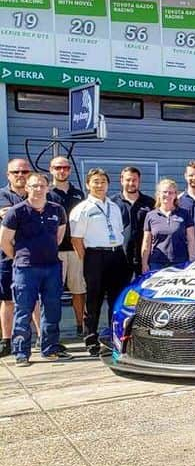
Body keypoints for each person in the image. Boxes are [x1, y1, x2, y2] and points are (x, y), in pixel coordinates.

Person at [0, 173, 70, 366]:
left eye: (41, 186)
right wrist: (20, 257)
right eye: (34, 186)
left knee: (52, 309)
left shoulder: (57, 210)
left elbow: (59, 237)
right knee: (23, 310)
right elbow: (5, 241)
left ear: (47, 188)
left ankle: (50, 348)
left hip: (52, 268)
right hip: (25, 269)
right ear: (27, 188)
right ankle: (21, 353)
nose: (38, 189)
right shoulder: (16, 212)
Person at [69, 168, 128, 356]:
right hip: (94, 256)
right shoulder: (82, 209)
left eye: (103, 181)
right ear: (88, 184)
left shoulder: (114, 206)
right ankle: (91, 338)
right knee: (93, 299)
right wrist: (86, 259)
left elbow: (118, 232)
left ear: (108, 184)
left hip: (116, 255)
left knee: (116, 299)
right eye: (95, 181)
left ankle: (113, 336)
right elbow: (76, 239)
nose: (99, 185)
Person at [48, 155, 86, 334]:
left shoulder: (79, 194)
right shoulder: (46, 193)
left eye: (65, 167)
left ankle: (81, 326)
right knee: (52, 292)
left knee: (79, 289)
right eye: (57, 167)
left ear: (70, 170)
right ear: (51, 170)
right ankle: (51, 330)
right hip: (53, 250)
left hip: (75, 249)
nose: (62, 171)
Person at [0, 159, 33, 357]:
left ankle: (38, 338)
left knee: (34, 300)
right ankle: (6, 340)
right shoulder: (1, 195)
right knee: (6, 299)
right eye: (16, 172)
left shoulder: (37, 193)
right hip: (7, 256)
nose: (20, 175)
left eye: (24, 171)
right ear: (8, 175)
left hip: (32, 256)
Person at [141, 178, 195, 272]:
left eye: (171, 192)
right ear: (158, 194)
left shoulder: (184, 214)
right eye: (164, 192)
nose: (167, 195)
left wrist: (191, 261)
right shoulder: (151, 215)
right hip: (156, 263)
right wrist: (144, 264)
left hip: (180, 263)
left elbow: (191, 240)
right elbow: (146, 243)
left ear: (175, 195)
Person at [112, 166, 155, 282]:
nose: (131, 183)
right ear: (121, 180)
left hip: (144, 257)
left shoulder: (150, 203)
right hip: (120, 257)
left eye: (134, 180)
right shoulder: (112, 203)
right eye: (128, 180)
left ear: (139, 181)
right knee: (119, 293)